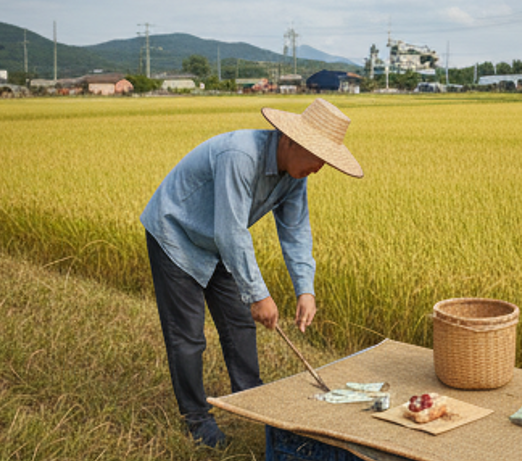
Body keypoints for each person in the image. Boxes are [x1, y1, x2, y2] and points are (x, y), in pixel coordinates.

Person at [140, 98, 363, 448]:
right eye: (318, 157)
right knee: (188, 336)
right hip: (177, 233)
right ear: (290, 141)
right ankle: (196, 419)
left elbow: (295, 232)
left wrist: (306, 290)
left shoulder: (294, 176)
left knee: (239, 324)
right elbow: (230, 231)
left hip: (218, 244)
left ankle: (252, 402)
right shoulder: (240, 155)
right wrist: (259, 295)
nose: (320, 167)